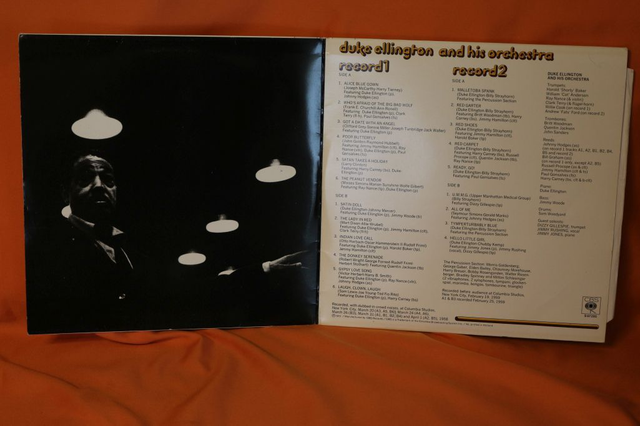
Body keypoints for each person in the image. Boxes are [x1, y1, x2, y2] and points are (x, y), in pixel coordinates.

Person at [25, 153, 310, 334]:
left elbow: (189, 293)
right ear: (65, 192)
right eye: (87, 179)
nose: (100, 185)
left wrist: (264, 269)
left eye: (108, 180)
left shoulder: (130, 249)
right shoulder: (44, 248)